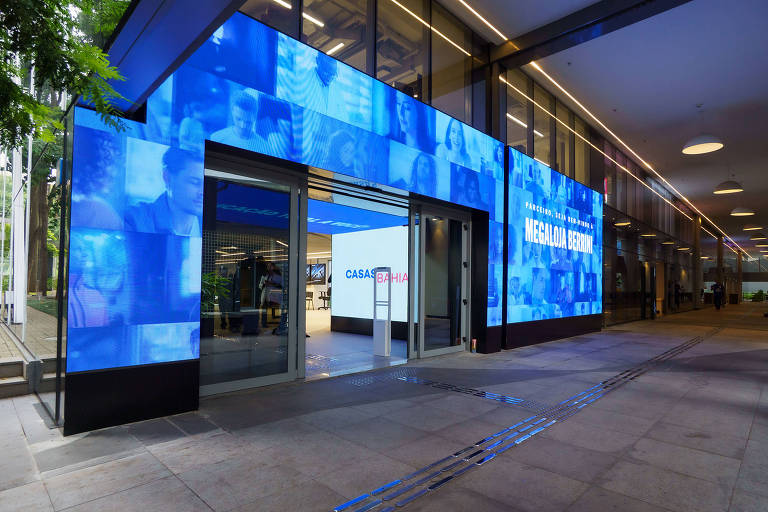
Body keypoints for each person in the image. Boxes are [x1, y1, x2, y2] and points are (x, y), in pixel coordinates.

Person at [125, 147, 203, 236]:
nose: (203, 192)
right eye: (195, 182)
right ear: (167, 177)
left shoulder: (212, 225)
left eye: (207, 185)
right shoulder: (134, 220)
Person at [210, 89, 271, 154]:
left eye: (248, 122)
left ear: (255, 118)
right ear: (232, 112)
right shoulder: (216, 138)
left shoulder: (265, 148)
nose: (243, 126)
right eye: (238, 119)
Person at [260, 262, 283, 327]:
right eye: (268, 266)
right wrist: (264, 284)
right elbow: (260, 285)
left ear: (274, 267)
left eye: (270, 266)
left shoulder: (278, 276)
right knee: (264, 309)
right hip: (265, 295)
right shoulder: (264, 276)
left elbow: (282, 286)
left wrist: (272, 284)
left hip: (274, 295)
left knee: (274, 309)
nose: (269, 268)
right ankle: (264, 323)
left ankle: (277, 323)